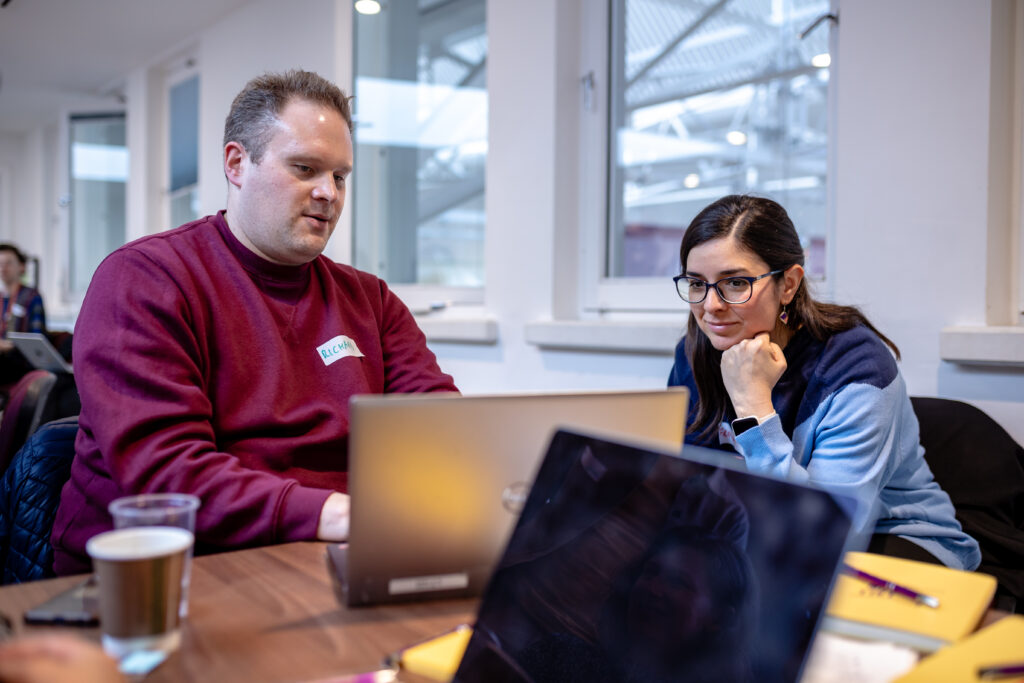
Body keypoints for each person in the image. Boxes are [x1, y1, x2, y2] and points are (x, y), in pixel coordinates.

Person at [50, 70, 458, 575]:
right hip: (169, 573)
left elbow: (441, 427)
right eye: (305, 168)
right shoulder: (144, 280)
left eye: (340, 176)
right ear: (237, 163)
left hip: (334, 552)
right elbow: (165, 473)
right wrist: (337, 513)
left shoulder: (368, 298)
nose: (329, 193)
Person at [668, 194, 980, 570]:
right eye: (696, 284)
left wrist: (753, 408)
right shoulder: (696, 352)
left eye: (735, 283)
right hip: (758, 540)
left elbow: (817, 538)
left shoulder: (856, 367)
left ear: (789, 284)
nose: (711, 306)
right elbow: (688, 484)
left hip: (891, 540)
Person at [0, 243, 46, 388]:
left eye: (8, 263)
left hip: (20, 361)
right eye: (0, 263)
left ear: (22, 267)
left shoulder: (31, 297)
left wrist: (11, 345)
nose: (3, 268)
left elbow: (36, 339)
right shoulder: (1, 298)